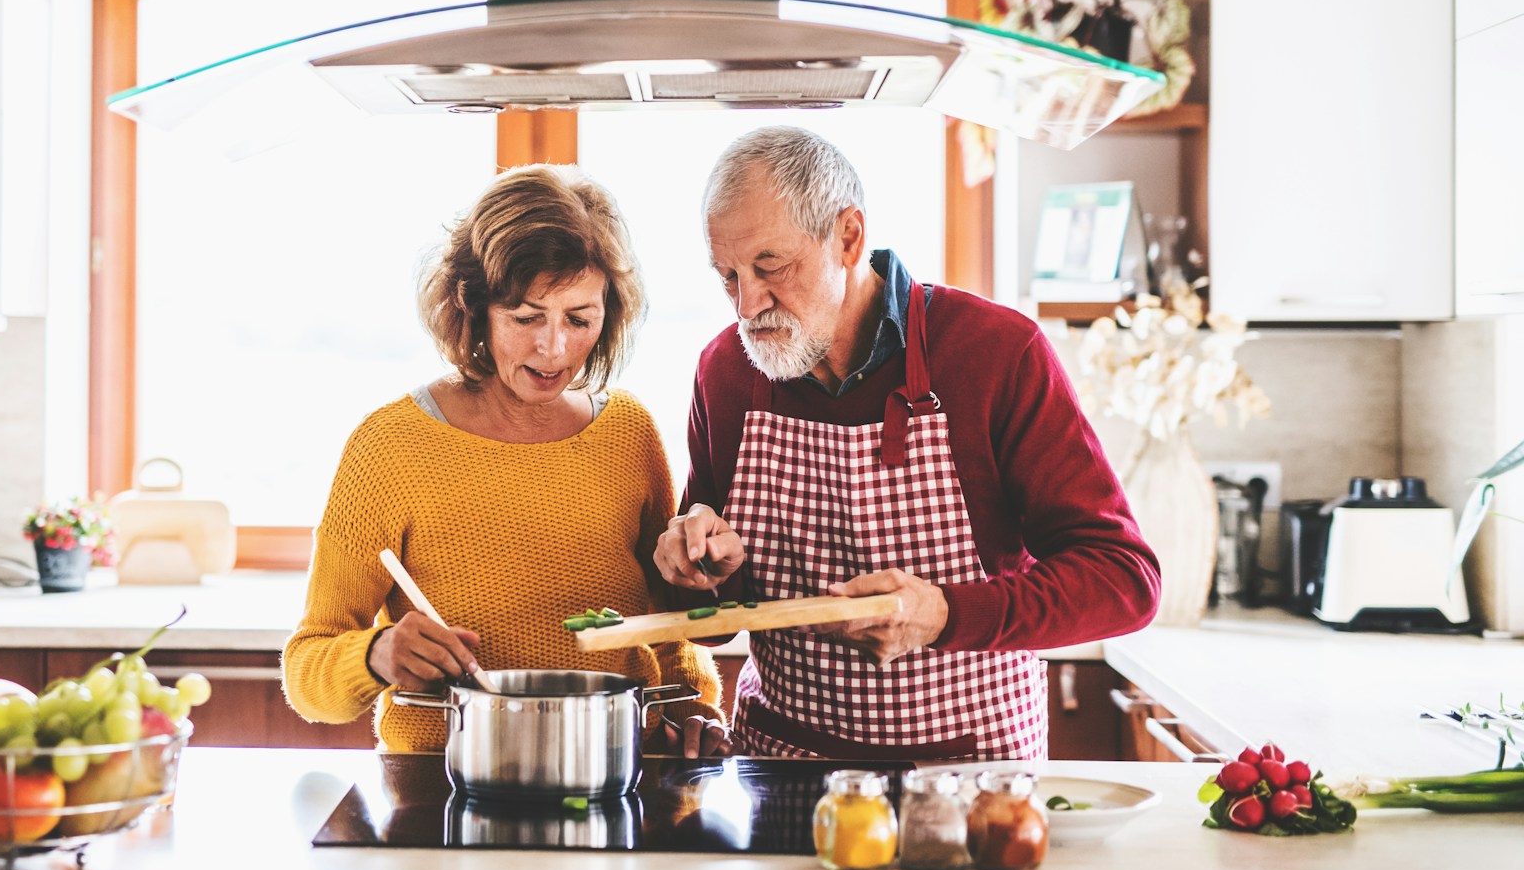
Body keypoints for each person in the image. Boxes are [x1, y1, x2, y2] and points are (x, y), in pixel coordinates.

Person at [654, 126, 1160, 761]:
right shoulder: (726, 372)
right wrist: (701, 569)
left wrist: (944, 614)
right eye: (727, 275)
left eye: (770, 266)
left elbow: (1125, 580)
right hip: (780, 767)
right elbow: (704, 608)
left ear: (848, 237)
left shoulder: (996, 353)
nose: (748, 304)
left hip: (970, 774)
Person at [284, 164, 728, 756]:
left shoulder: (628, 432)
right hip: (445, 786)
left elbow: (666, 625)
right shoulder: (390, 447)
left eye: (579, 319)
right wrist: (374, 654)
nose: (554, 348)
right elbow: (308, 672)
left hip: (615, 769)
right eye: (525, 318)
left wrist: (696, 707)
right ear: (473, 307)